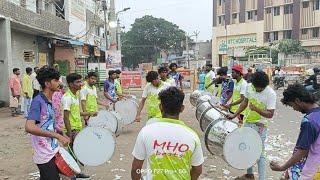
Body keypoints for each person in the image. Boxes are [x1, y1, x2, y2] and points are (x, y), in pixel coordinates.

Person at [131, 87, 204, 180]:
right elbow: (197, 170)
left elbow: (135, 168)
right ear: (182, 108)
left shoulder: (146, 132)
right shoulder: (192, 136)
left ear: (160, 107)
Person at [227, 71, 277, 180]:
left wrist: (256, 109)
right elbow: (244, 102)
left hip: (260, 126)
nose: (258, 90)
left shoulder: (270, 94)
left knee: (260, 153)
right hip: (248, 122)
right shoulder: (249, 87)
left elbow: (270, 114)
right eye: (257, 88)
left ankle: (262, 178)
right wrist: (234, 114)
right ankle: (250, 174)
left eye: (261, 89)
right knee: (247, 149)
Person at [25, 67, 70, 180]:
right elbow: (29, 127)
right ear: (47, 83)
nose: (59, 83)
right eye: (55, 80)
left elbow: (48, 122)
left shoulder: (49, 100)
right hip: (43, 154)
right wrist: (57, 135)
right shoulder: (38, 101)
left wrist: (60, 131)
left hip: (52, 149)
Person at [269, 84, 320, 180]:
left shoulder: (309, 121)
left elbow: (302, 151)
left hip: (308, 170)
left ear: (297, 101)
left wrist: (283, 167)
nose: (294, 109)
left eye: (292, 105)